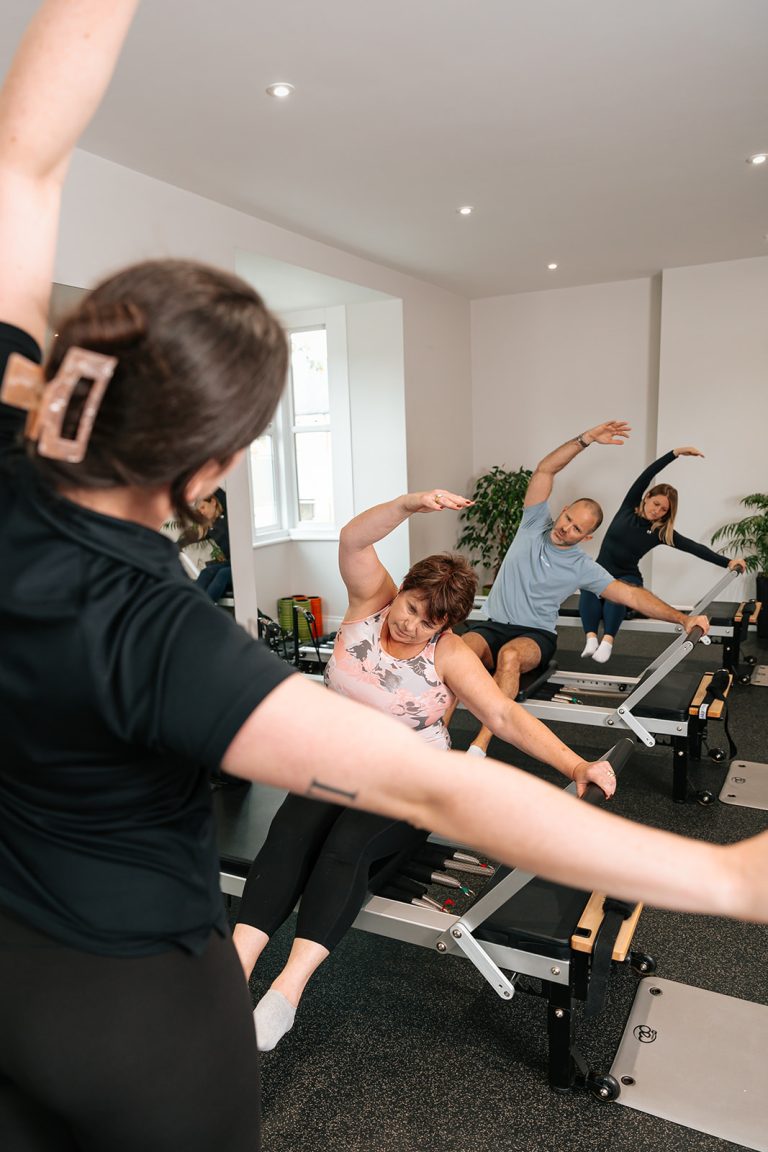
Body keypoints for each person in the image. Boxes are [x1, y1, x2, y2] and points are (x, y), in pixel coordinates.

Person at [2, 6, 768, 1150]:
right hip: (134, 1019)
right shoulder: (158, 631)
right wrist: (730, 885)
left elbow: (22, 156)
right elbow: (447, 791)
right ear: (208, 470)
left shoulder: (20, 442)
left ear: (69, 366)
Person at [233, 490, 620, 1052]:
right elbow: (354, 538)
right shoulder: (370, 601)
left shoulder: (450, 654)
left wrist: (577, 762)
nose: (413, 624)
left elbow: (504, 715)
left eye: (430, 621)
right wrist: (409, 504)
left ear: (448, 625)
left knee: (345, 848)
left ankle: (286, 993)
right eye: (412, 607)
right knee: (290, 833)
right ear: (404, 592)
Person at [458, 423, 710, 757]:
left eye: (578, 529)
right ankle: (435, 739)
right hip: (492, 623)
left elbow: (631, 595)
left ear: (587, 537)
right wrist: (586, 439)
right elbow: (547, 468)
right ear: (562, 510)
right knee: (459, 650)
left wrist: (682, 618)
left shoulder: (582, 567)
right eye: (568, 520)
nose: (566, 530)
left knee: (510, 657)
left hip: (534, 635)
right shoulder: (533, 523)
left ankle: (480, 745)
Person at [578, 447, 746, 662]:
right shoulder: (627, 508)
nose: (657, 511)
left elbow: (694, 547)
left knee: (619, 593)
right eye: (656, 504)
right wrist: (674, 453)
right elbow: (647, 474)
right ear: (647, 497)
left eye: (663, 510)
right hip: (600, 572)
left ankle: (607, 642)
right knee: (587, 588)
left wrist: (728, 562)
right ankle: (591, 639)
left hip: (627, 578)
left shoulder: (659, 532)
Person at [178, 488, 233, 600]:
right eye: (199, 510)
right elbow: (192, 537)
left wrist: (203, 480)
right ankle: (192, 604)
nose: (201, 512)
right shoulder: (212, 527)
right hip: (230, 563)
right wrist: (174, 545)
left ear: (213, 502)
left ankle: (206, 610)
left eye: (203, 507)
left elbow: (220, 494)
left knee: (222, 574)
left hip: (242, 564)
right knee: (207, 571)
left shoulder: (229, 516)